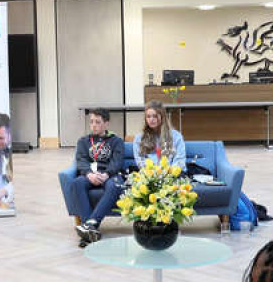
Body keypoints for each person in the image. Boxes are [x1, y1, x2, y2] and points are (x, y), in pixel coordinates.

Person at [69, 108, 126, 245]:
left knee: (115, 185)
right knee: (77, 183)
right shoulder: (83, 141)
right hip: (90, 175)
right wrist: (89, 174)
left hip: (110, 175)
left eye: (98, 122)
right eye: (91, 122)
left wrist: (106, 174)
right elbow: (81, 160)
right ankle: (90, 229)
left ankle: (89, 226)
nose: (93, 125)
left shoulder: (116, 141)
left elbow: (117, 162)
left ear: (106, 124)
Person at [134, 100, 186, 169]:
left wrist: (168, 175)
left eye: (155, 116)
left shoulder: (176, 136)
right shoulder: (139, 138)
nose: (151, 119)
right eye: (148, 117)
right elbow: (140, 162)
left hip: (173, 175)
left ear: (162, 117)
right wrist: (154, 174)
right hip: (150, 176)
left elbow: (179, 161)